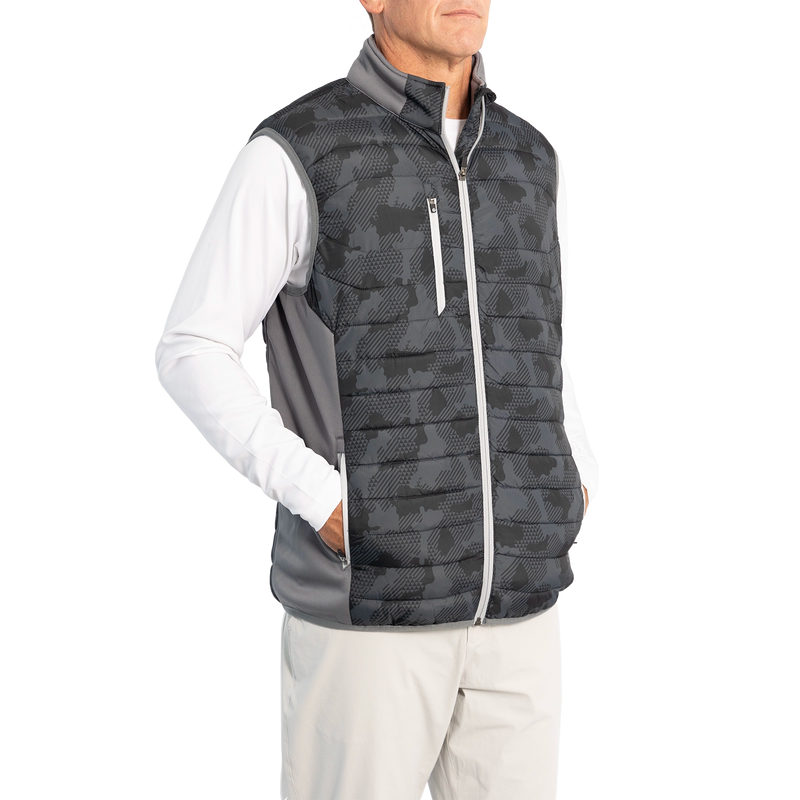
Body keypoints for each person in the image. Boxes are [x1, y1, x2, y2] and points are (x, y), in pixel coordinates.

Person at [152, 1, 601, 797]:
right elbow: (191, 349)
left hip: (524, 610)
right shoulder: (299, 149)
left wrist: (576, 475)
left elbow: (544, 343)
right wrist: (322, 498)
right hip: (369, 611)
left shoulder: (535, 159)